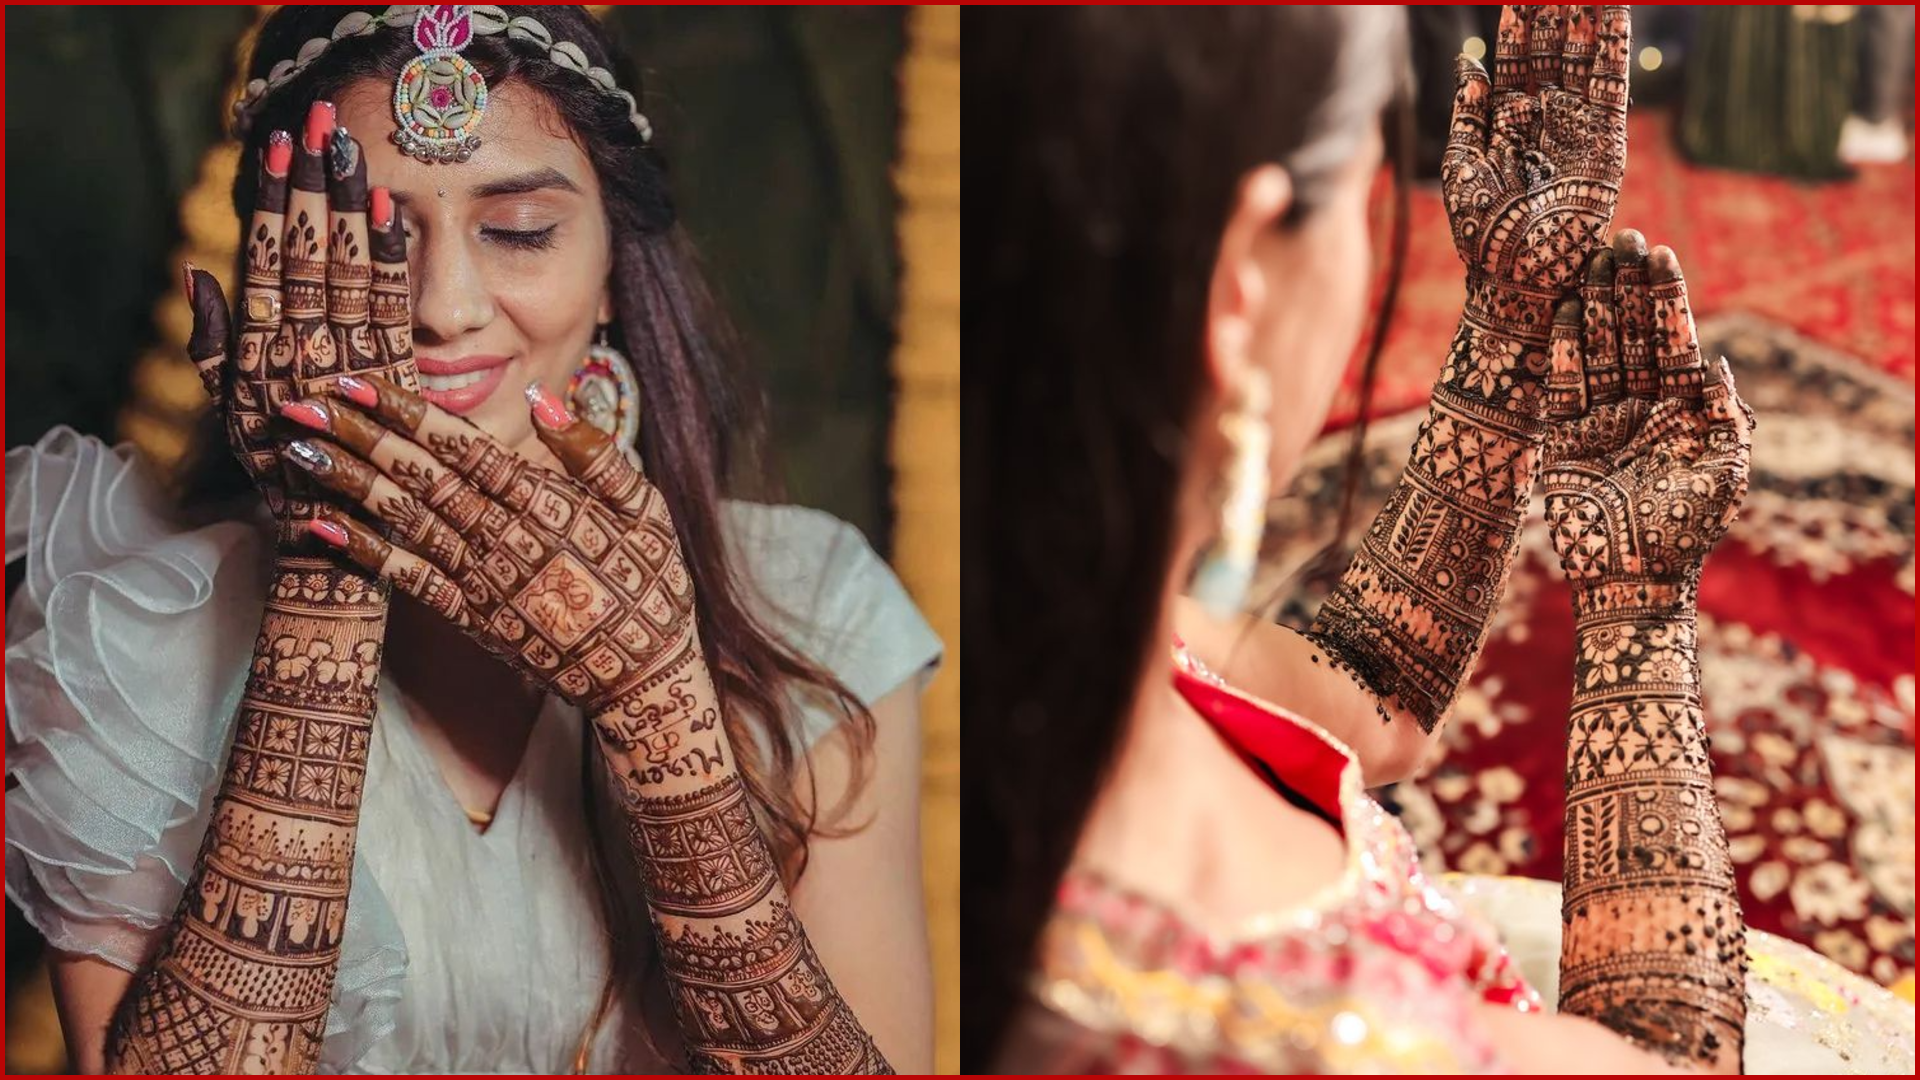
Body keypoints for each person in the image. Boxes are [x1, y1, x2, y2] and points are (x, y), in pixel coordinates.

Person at [966, 5, 1910, 1074]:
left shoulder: (1034, 626)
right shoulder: (1336, 1040)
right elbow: (1672, 1063)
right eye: (1369, 175)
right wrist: (1637, 611)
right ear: (1242, 285)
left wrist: (1514, 316)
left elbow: (1369, 700)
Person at [6, 6, 938, 1073]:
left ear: (613, 273)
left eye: (521, 232)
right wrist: (331, 564)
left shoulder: (811, 605)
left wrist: (662, 708)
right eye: (379, 240)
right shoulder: (128, 636)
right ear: (278, 273)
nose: (445, 309)